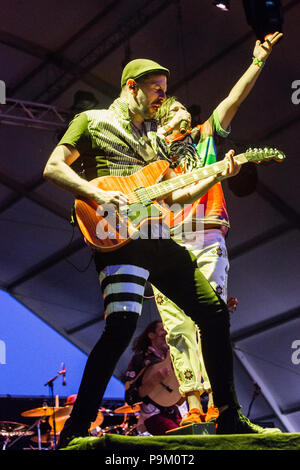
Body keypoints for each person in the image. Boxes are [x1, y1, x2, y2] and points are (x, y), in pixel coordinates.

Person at [43, 58, 278, 449]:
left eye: (165, 92)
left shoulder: (153, 140)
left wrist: (217, 173)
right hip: (114, 232)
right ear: (132, 87)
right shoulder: (92, 121)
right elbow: (53, 168)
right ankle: (76, 428)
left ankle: (230, 415)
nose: (163, 98)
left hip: (155, 233)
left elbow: (176, 194)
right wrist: (98, 193)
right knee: (120, 328)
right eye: (157, 90)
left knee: (214, 313)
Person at [152, 32, 283, 425]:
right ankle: (190, 403)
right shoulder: (150, 157)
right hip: (166, 241)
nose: (183, 114)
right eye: (174, 110)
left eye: (183, 110)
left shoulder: (205, 137)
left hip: (207, 234)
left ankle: (217, 400)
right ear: (161, 120)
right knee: (175, 326)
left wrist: (257, 61)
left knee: (210, 318)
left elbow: (233, 100)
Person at [124, 320, 182, 435]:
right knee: (181, 439)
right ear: (151, 335)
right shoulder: (140, 359)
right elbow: (130, 397)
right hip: (153, 416)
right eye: (162, 329)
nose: (167, 331)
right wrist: (153, 381)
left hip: (177, 413)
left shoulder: (173, 359)